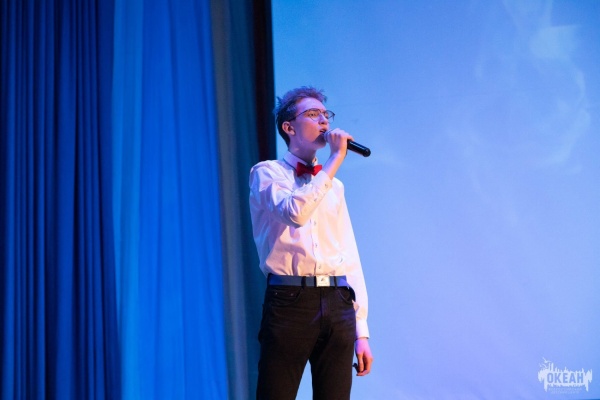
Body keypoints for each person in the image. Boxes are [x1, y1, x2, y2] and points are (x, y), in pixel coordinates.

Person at [249, 86, 373, 399]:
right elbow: (295, 213)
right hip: (289, 300)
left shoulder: (334, 186)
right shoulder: (266, 173)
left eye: (325, 114)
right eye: (313, 114)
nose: (324, 121)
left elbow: (348, 253)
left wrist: (361, 330)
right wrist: (334, 160)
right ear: (289, 127)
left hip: (338, 299)